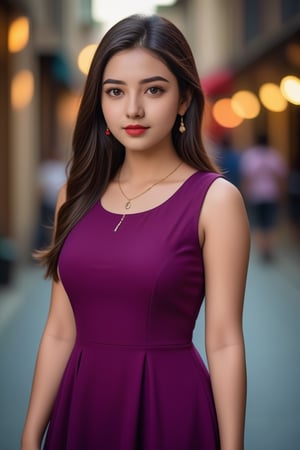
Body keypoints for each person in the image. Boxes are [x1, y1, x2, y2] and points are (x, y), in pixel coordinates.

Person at [21, 14, 250, 450]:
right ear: (100, 101)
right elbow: (59, 329)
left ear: (184, 99)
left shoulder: (215, 200)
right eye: (115, 91)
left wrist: (232, 446)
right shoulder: (76, 192)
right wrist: (32, 433)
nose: (133, 109)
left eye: (154, 89)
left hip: (169, 409)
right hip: (81, 406)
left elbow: (223, 340)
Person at [240, 133, 286, 261]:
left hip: (255, 195)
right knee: (270, 222)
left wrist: (245, 194)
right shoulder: (274, 155)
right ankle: (269, 248)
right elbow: (281, 178)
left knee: (258, 223)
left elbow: (246, 178)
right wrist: (281, 193)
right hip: (272, 194)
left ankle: (262, 249)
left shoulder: (250, 156)